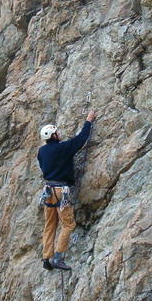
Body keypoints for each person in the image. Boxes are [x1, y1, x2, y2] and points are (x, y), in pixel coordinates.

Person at [37, 110, 96, 271]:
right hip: (61, 191)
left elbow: (43, 167)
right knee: (68, 224)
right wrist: (89, 121)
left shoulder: (42, 152)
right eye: (57, 132)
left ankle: (46, 258)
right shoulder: (63, 148)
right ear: (54, 136)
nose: (59, 133)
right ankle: (58, 257)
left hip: (48, 191)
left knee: (50, 225)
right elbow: (81, 139)